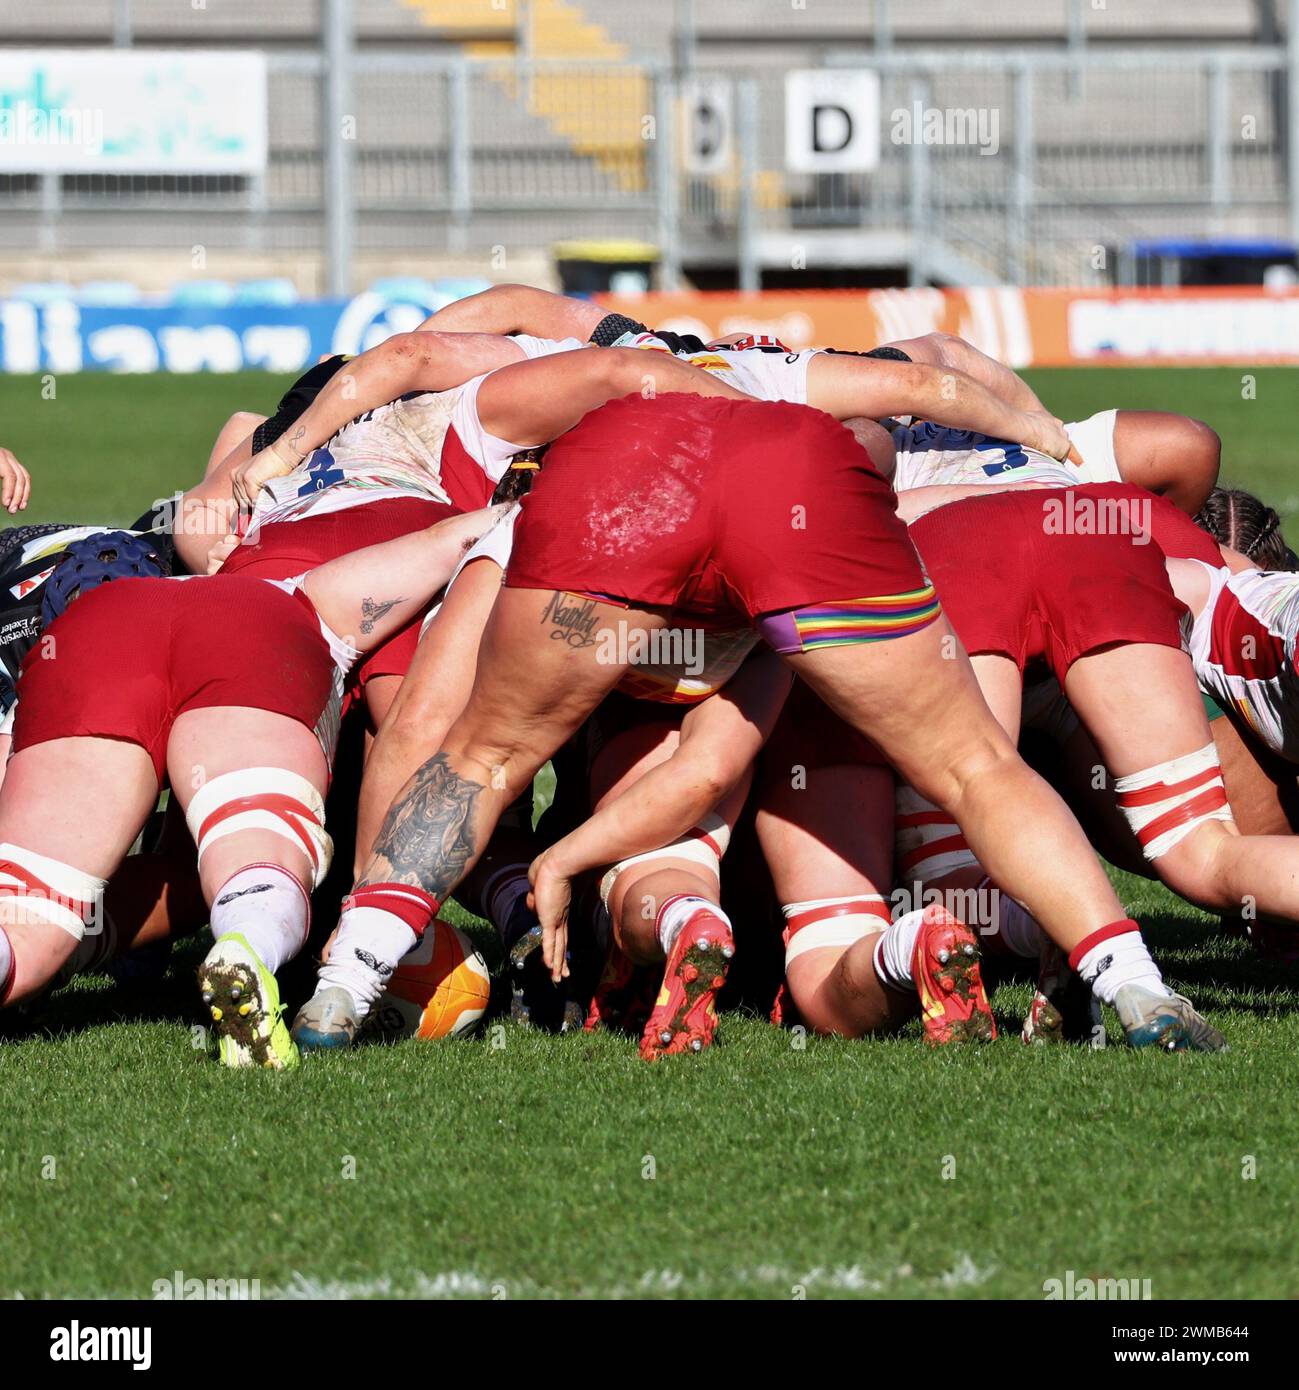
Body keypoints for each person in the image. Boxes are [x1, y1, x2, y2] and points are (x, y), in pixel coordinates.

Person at [291, 384, 1221, 1054]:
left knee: (485, 756)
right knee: (971, 764)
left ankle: (345, 986)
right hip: (797, 479)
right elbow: (707, 765)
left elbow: (434, 742)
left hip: (626, 478)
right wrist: (1030, 424)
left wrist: (555, 856)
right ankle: (1134, 984)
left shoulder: (512, 525)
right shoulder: (799, 430)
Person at [0, 507, 500, 1070]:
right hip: (254, 631)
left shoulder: (67, 616)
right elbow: (448, 540)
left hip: (95, 637)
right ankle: (245, 947)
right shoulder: (298, 591)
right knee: (257, 851)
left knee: (31, 914)